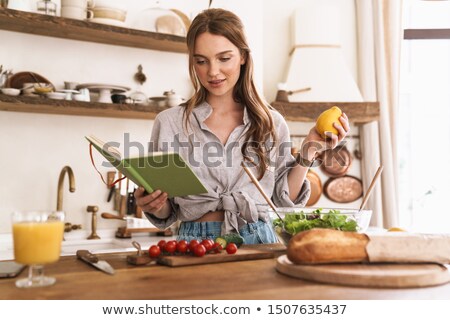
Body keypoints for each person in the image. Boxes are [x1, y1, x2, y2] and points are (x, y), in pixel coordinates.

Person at [135, 8, 350, 244]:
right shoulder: (170, 122)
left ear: (243, 56)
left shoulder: (271, 122)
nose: (213, 71)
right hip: (194, 243)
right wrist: (154, 205)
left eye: (224, 58)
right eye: (201, 61)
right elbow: (168, 210)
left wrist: (309, 151)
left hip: (258, 238)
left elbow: (281, 201)